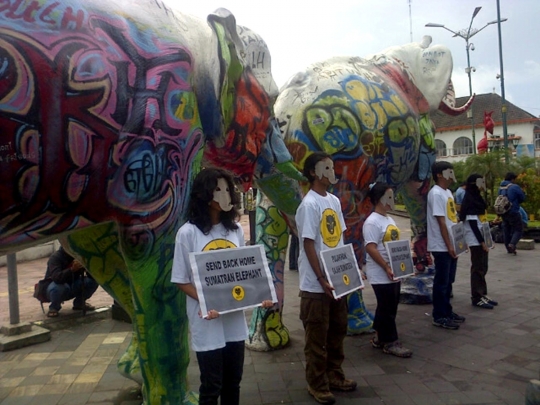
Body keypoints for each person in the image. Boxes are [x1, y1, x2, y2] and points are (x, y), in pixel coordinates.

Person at [171, 167, 273, 405]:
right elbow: (181, 280)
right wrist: (208, 301)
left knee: (233, 382)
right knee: (211, 385)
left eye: (227, 189)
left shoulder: (235, 230)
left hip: (234, 322)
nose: (224, 194)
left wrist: (260, 295)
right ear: (204, 195)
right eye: (217, 189)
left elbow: (241, 272)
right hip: (207, 323)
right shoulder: (187, 233)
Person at [295, 152, 357, 405]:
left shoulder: (333, 200)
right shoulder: (309, 205)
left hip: (337, 281)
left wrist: (350, 270)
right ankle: (317, 383)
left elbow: (340, 239)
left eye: (333, 167)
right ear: (313, 173)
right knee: (317, 337)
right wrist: (321, 278)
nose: (332, 172)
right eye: (326, 168)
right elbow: (309, 243)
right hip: (315, 285)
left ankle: (335, 375)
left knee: (338, 330)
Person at [363, 182, 412, 358]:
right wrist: (386, 266)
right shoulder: (372, 222)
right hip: (381, 273)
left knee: (388, 306)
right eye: (389, 196)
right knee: (387, 308)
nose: (393, 200)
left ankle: (379, 336)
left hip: (394, 271)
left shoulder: (389, 219)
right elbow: (370, 247)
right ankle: (390, 341)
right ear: (379, 199)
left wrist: (404, 263)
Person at [427, 161, 465, 330]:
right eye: (449, 171)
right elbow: (441, 222)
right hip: (441, 245)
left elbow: (453, 220)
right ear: (439, 174)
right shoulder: (435, 193)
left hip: (451, 244)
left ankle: (447, 311)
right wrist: (449, 245)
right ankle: (439, 315)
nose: (452, 174)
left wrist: (459, 242)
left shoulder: (448, 192)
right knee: (441, 282)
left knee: (449, 280)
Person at [459, 174, 498, 310]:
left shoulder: (477, 197)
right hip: (475, 239)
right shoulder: (470, 199)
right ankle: (476, 297)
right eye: (481, 182)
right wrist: (482, 242)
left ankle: (482, 294)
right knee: (478, 268)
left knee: (483, 266)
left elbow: (481, 221)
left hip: (482, 237)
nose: (483, 184)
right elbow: (473, 225)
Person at [45, 247, 98, 317]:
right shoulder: (55, 257)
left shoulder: (78, 256)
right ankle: (54, 307)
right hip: (56, 287)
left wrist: (86, 266)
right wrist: (72, 269)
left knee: (92, 282)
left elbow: (90, 276)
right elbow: (57, 278)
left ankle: (79, 303)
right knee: (59, 287)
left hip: (73, 285)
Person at [498, 172, 526, 255]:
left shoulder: (501, 188)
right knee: (518, 229)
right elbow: (522, 198)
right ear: (513, 179)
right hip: (513, 211)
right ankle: (512, 244)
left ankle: (508, 248)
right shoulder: (514, 187)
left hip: (503, 212)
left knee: (506, 229)